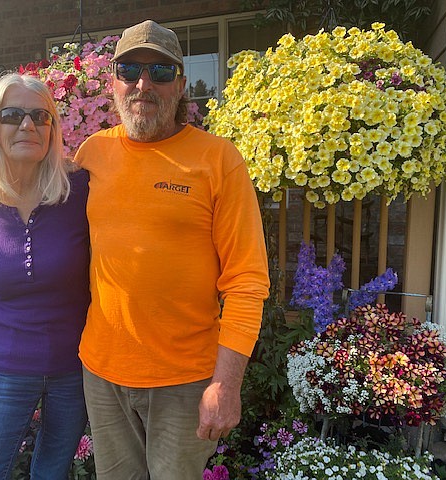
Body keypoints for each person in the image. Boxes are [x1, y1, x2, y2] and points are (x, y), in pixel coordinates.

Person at [73, 20, 270, 479]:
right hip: (102, 373)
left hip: (185, 380)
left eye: (161, 72)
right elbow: (51, 231)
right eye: (130, 70)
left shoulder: (218, 159)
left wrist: (226, 384)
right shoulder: (91, 154)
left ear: (180, 85)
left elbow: (246, 279)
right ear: (113, 82)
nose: (144, 84)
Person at [0, 72, 90, 480]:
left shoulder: (79, 188)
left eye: (40, 116)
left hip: (74, 372)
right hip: (4, 370)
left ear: (52, 129)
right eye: (12, 115)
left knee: (51, 474)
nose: (27, 125)